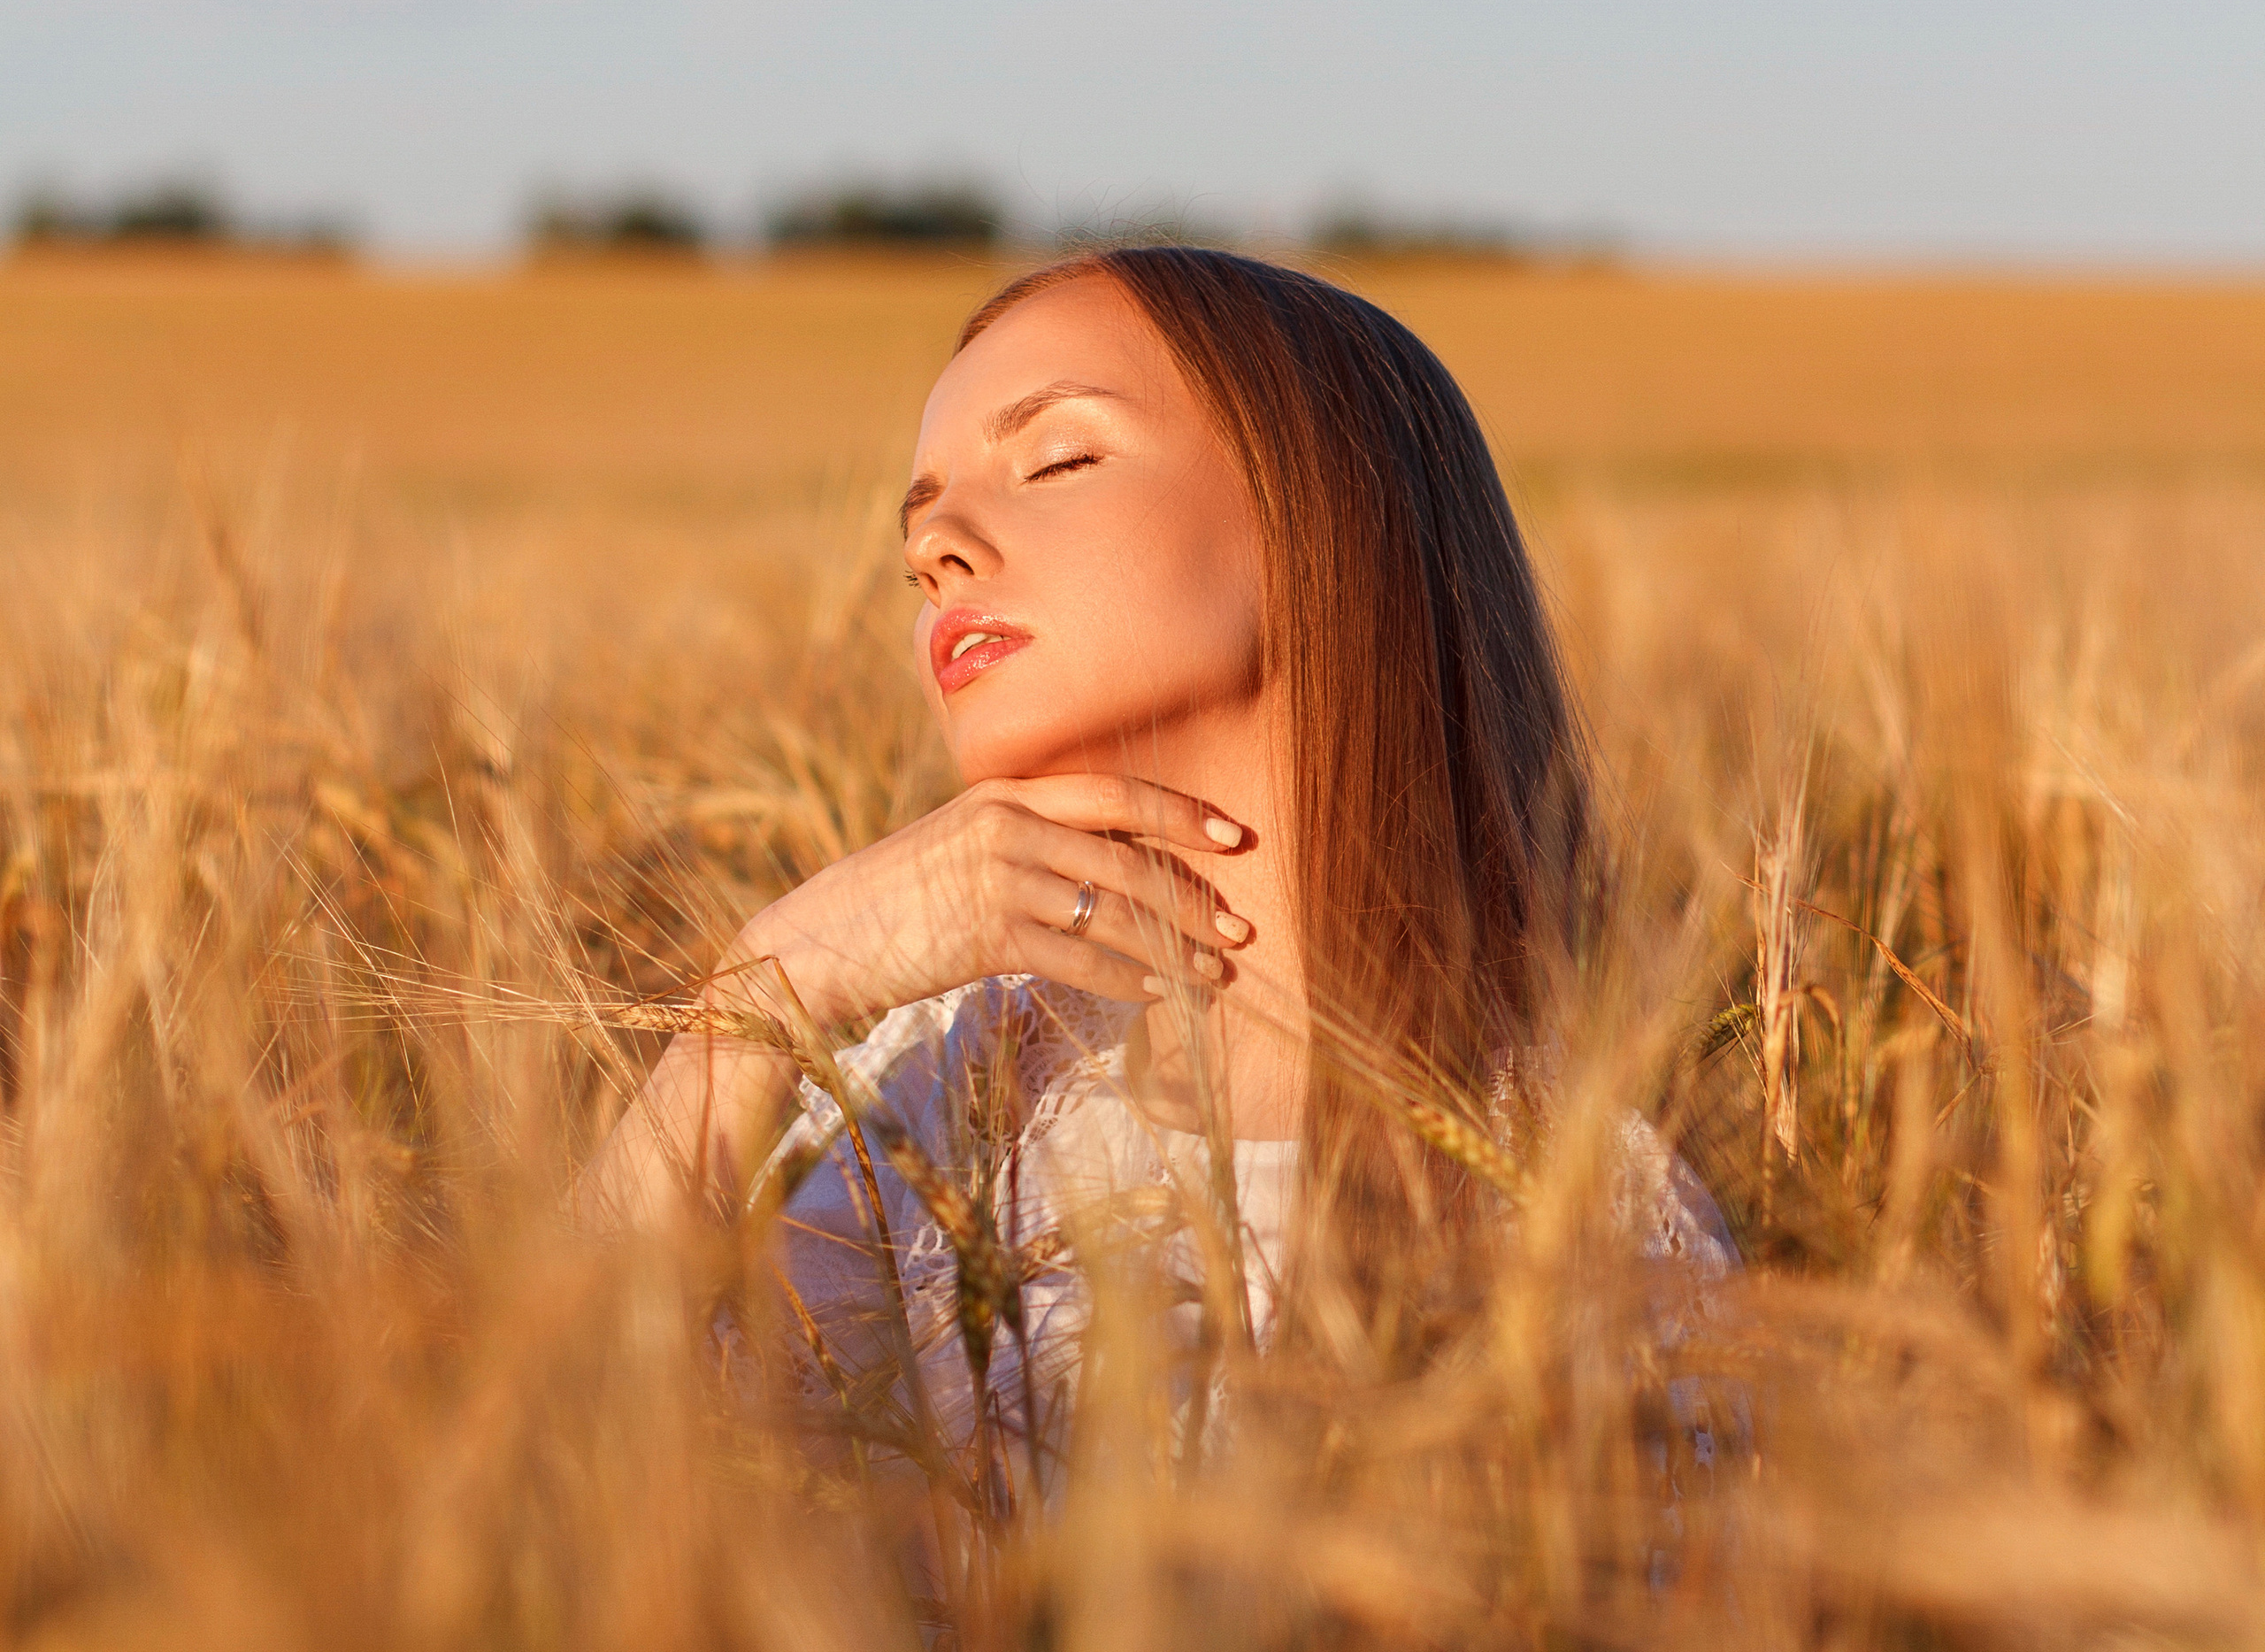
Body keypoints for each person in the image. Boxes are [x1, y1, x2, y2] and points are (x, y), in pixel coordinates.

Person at [580, 243, 1729, 1506]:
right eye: (917, 541)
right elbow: (541, 1436)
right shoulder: (944, 1084)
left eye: (1058, 459)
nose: (938, 549)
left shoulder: (1576, 1206)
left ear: (1327, 512)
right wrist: (760, 993)